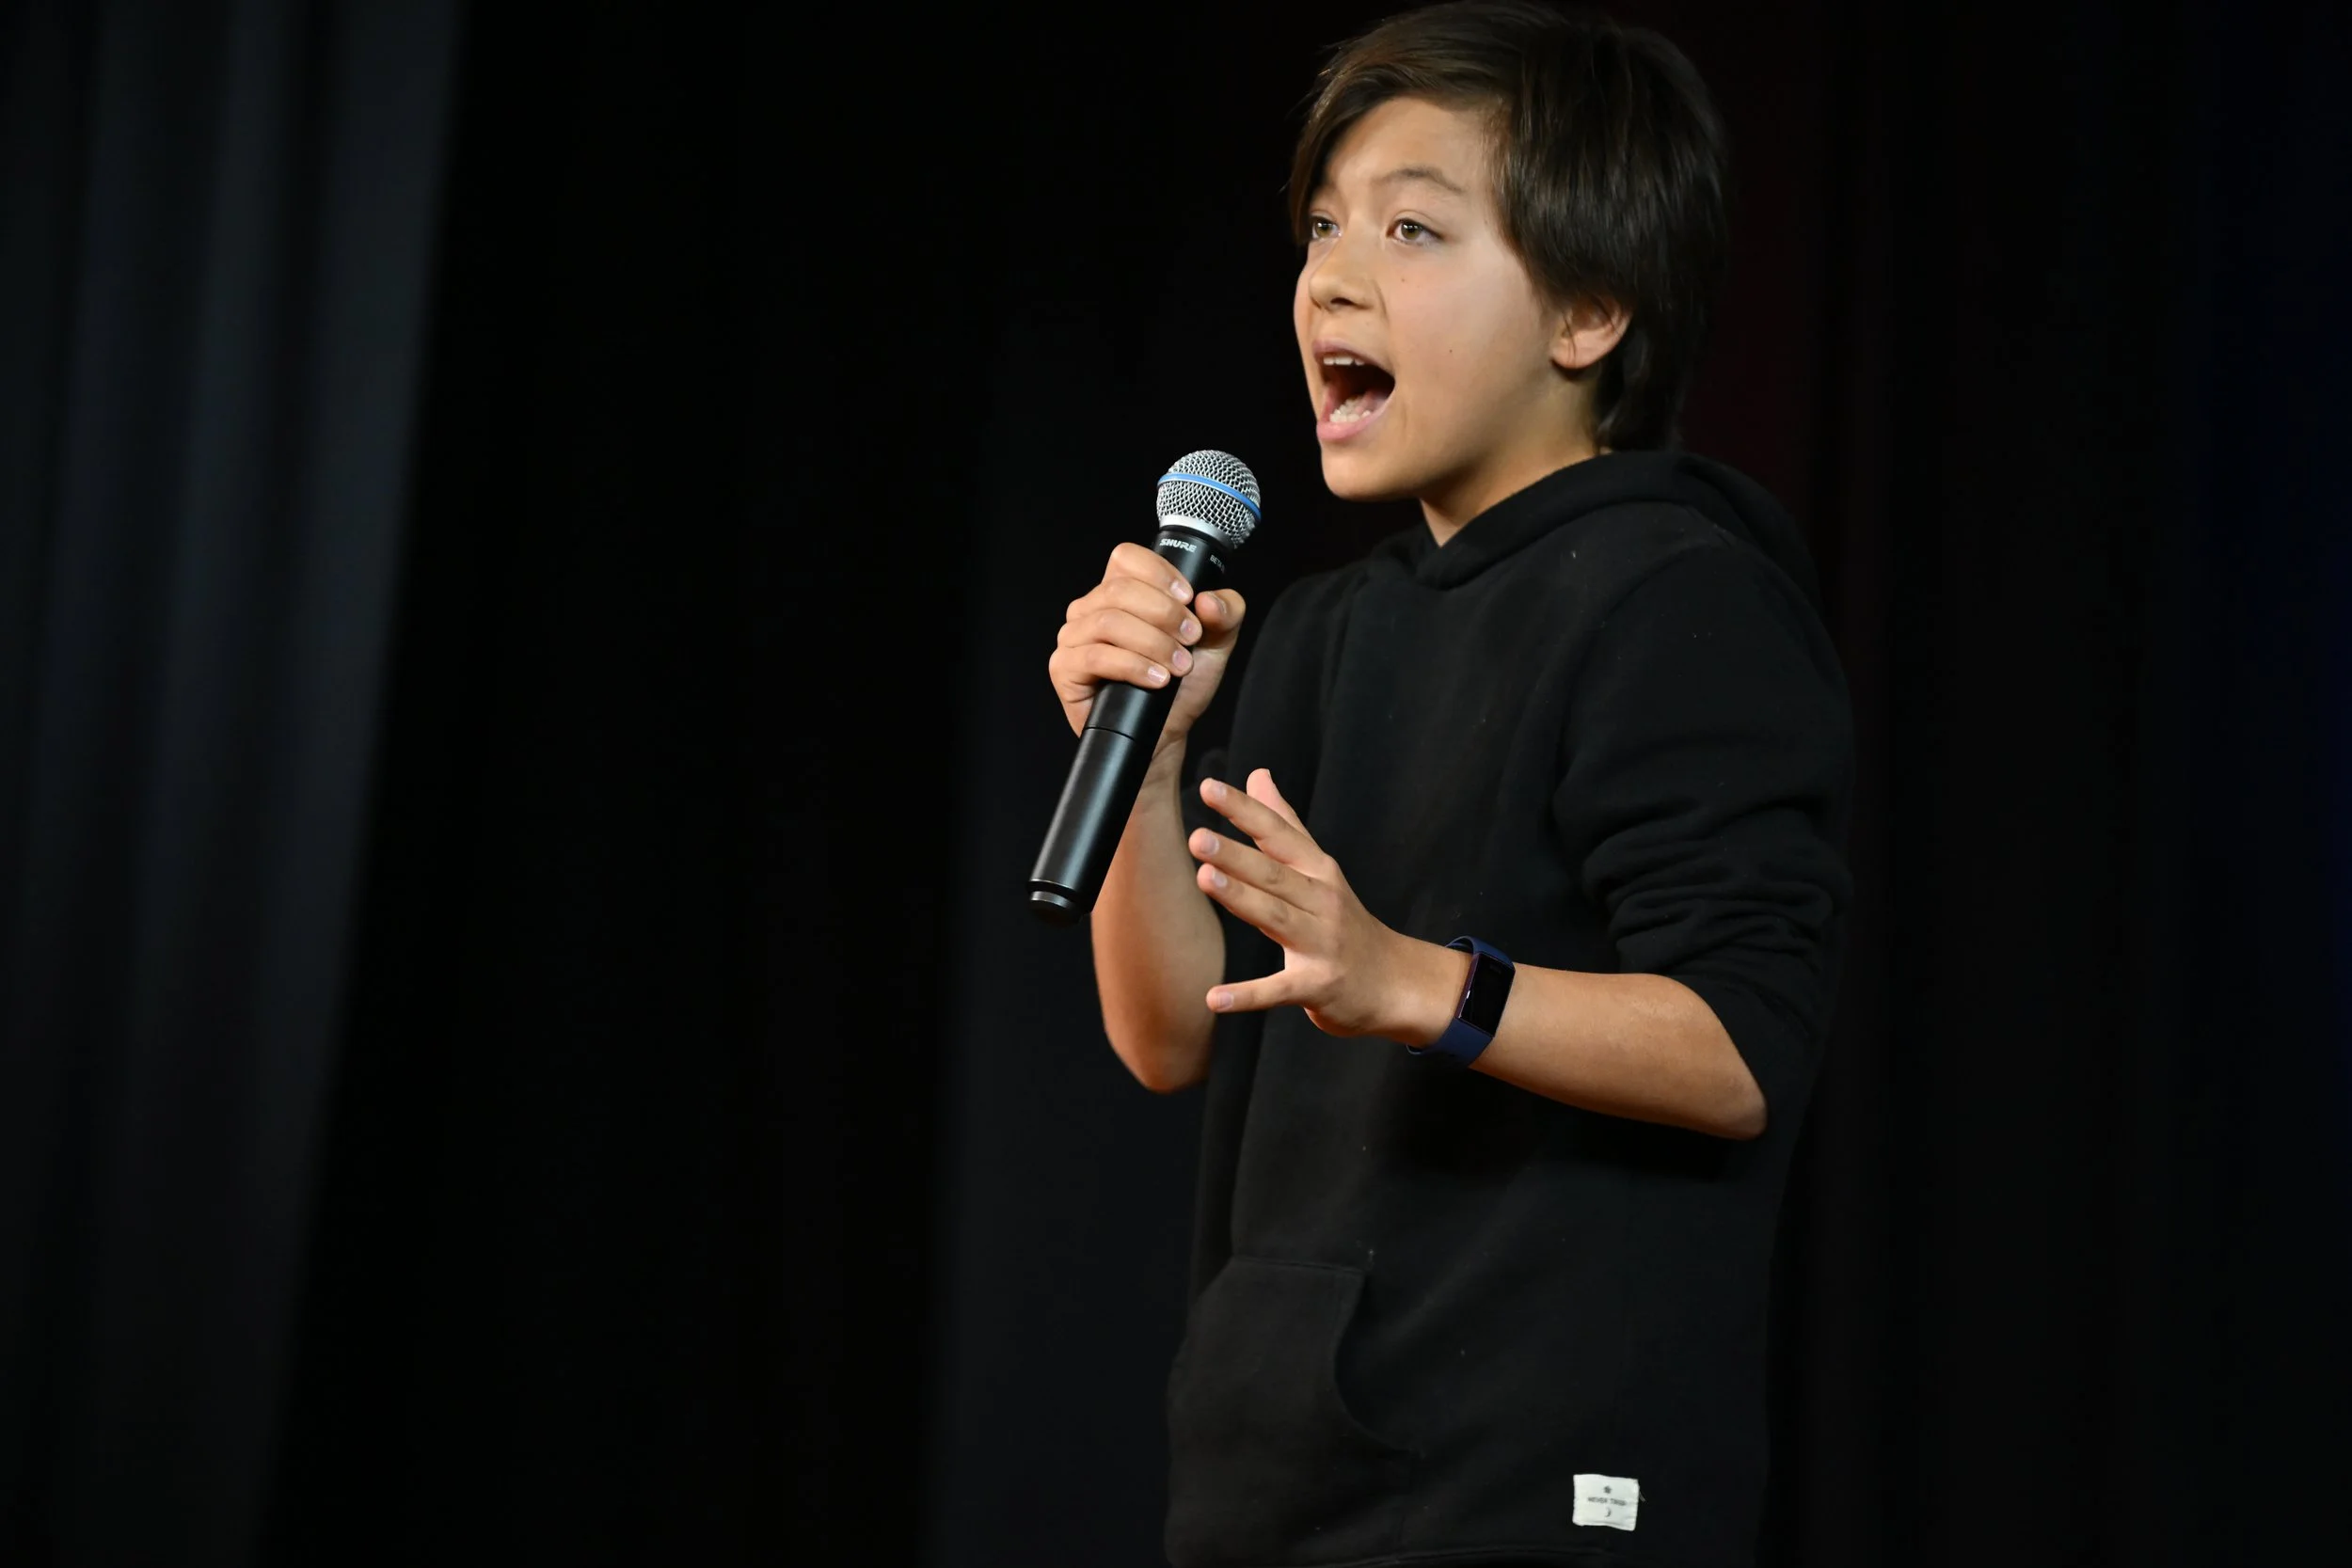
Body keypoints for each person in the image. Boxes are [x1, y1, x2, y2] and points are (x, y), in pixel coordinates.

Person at [1045, 4, 1852, 1563]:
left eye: (1414, 228)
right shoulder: (1326, 627)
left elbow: (1742, 1044)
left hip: (1533, 1484)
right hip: (1272, 1472)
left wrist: (1414, 980)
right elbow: (1168, 1035)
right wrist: (1144, 760)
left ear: (1590, 312)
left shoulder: (1679, 592)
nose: (1334, 276)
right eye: (1327, 226)